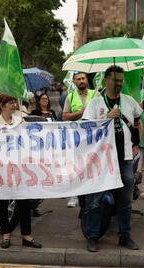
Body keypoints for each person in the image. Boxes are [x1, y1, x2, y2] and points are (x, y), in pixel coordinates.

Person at [82, 65, 141, 252]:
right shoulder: (95, 103)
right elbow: (86, 128)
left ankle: (125, 235)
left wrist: (136, 141)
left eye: (121, 81)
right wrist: (106, 117)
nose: (119, 84)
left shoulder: (129, 101)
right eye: (116, 80)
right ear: (106, 80)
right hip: (102, 160)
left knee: (126, 200)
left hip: (124, 158)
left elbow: (139, 120)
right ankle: (92, 236)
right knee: (95, 200)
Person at [0, 93, 42, 249]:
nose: (14, 105)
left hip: (20, 168)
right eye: (11, 102)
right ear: (2, 105)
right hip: (1, 169)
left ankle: (26, 236)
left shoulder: (20, 121)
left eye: (15, 102)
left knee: (24, 201)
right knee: (2, 201)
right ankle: (6, 235)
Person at [63, 72, 97, 208]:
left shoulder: (96, 94)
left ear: (87, 80)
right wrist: (80, 113)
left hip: (93, 137)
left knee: (92, 164)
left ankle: (92, 191)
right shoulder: (70, 97)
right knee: (75, 165)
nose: (81, 81)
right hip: (76, 137)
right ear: (74, 82)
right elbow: (65, 116)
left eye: (83, 78)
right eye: (78, 79)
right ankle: (74, 195)